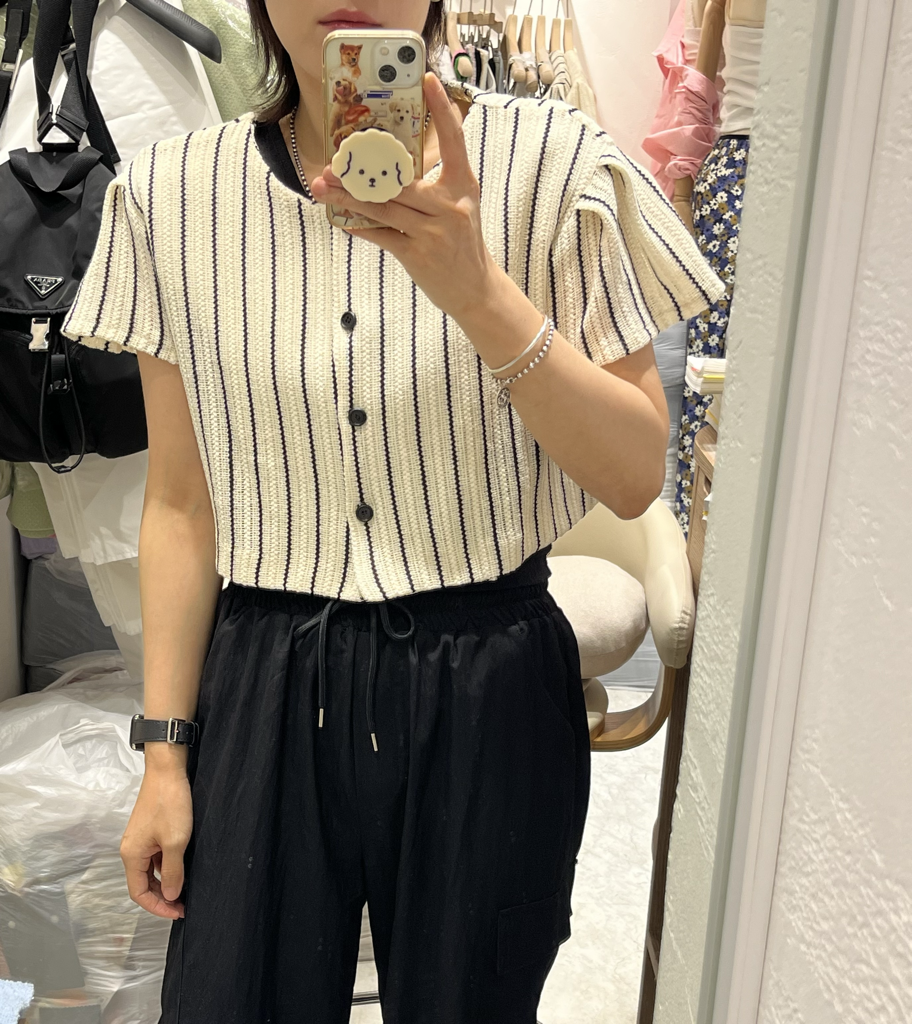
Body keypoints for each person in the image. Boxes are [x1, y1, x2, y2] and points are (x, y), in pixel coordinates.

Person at [61, 1, 725, 1020]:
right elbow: (182, 507)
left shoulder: (554, 165)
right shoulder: (172, 196)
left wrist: (480, 293)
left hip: (490, 682)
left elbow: (637, 473)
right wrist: (164, 756)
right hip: (267, 682)